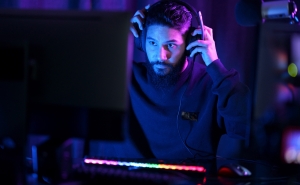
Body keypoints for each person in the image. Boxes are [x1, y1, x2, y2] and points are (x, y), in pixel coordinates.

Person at [91, 0, 251, 161]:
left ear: (190, 44)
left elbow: (246, 128)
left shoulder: (211, 84)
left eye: (171, 45)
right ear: (141, 41)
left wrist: (215, 65)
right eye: (153, 43)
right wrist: (117, 36)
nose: (161, 56)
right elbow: (84, 87)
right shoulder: (123, 76)